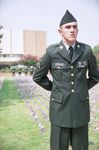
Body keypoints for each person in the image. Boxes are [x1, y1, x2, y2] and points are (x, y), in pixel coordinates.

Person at [33, 10, 99, 150]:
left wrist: (81, 89)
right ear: (60, 31)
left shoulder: (86, 51)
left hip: (80, 110)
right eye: (68, 27)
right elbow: (38, 76)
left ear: (78, 30)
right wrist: (55, 88)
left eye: (75, 27)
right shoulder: (52, 52)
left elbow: (95, 76)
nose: (72, 30)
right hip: (59, 111)